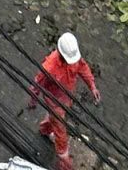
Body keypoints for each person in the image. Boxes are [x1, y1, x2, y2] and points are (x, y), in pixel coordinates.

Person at [28, 31, 102, 170]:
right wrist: (33, 100)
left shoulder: (75, 59)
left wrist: (92, 86)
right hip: (55, 102)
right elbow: (36, 85)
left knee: (54, 120)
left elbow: (83, 68)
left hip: (67, 97)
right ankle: (64, 162)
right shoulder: (49, 67)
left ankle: (45, 129)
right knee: (61, 132)